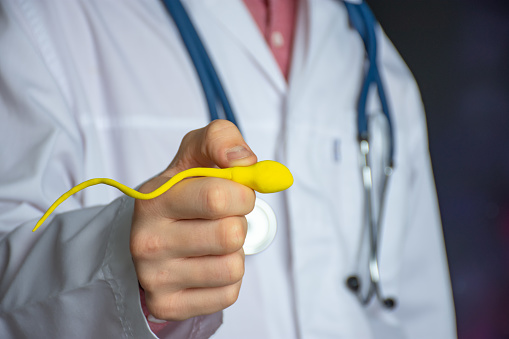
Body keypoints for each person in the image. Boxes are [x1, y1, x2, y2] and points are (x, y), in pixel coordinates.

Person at [0, 0, 456, 338]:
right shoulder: (46, 20)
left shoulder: (376, 62)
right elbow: (9, 290)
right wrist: (120, 267)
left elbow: (421, 313)